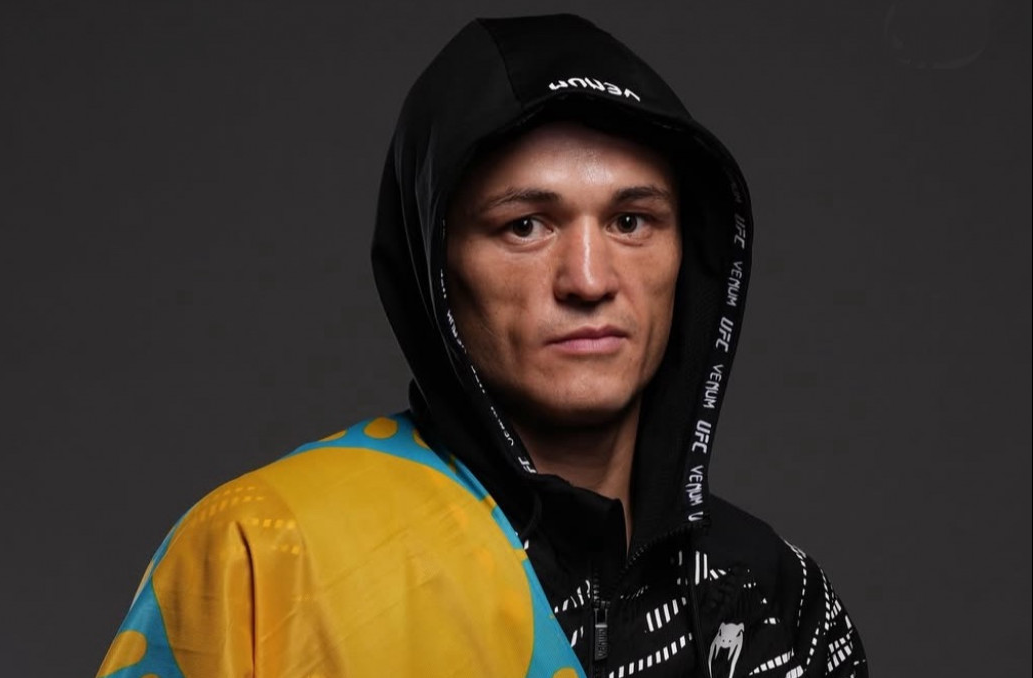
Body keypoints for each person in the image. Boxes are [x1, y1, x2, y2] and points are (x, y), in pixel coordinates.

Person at [96, 13, 867, 678]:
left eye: (632, 221)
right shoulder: (270, 551)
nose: (590, 279)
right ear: (434, 269)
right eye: (525, 226)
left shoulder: (778, 597)